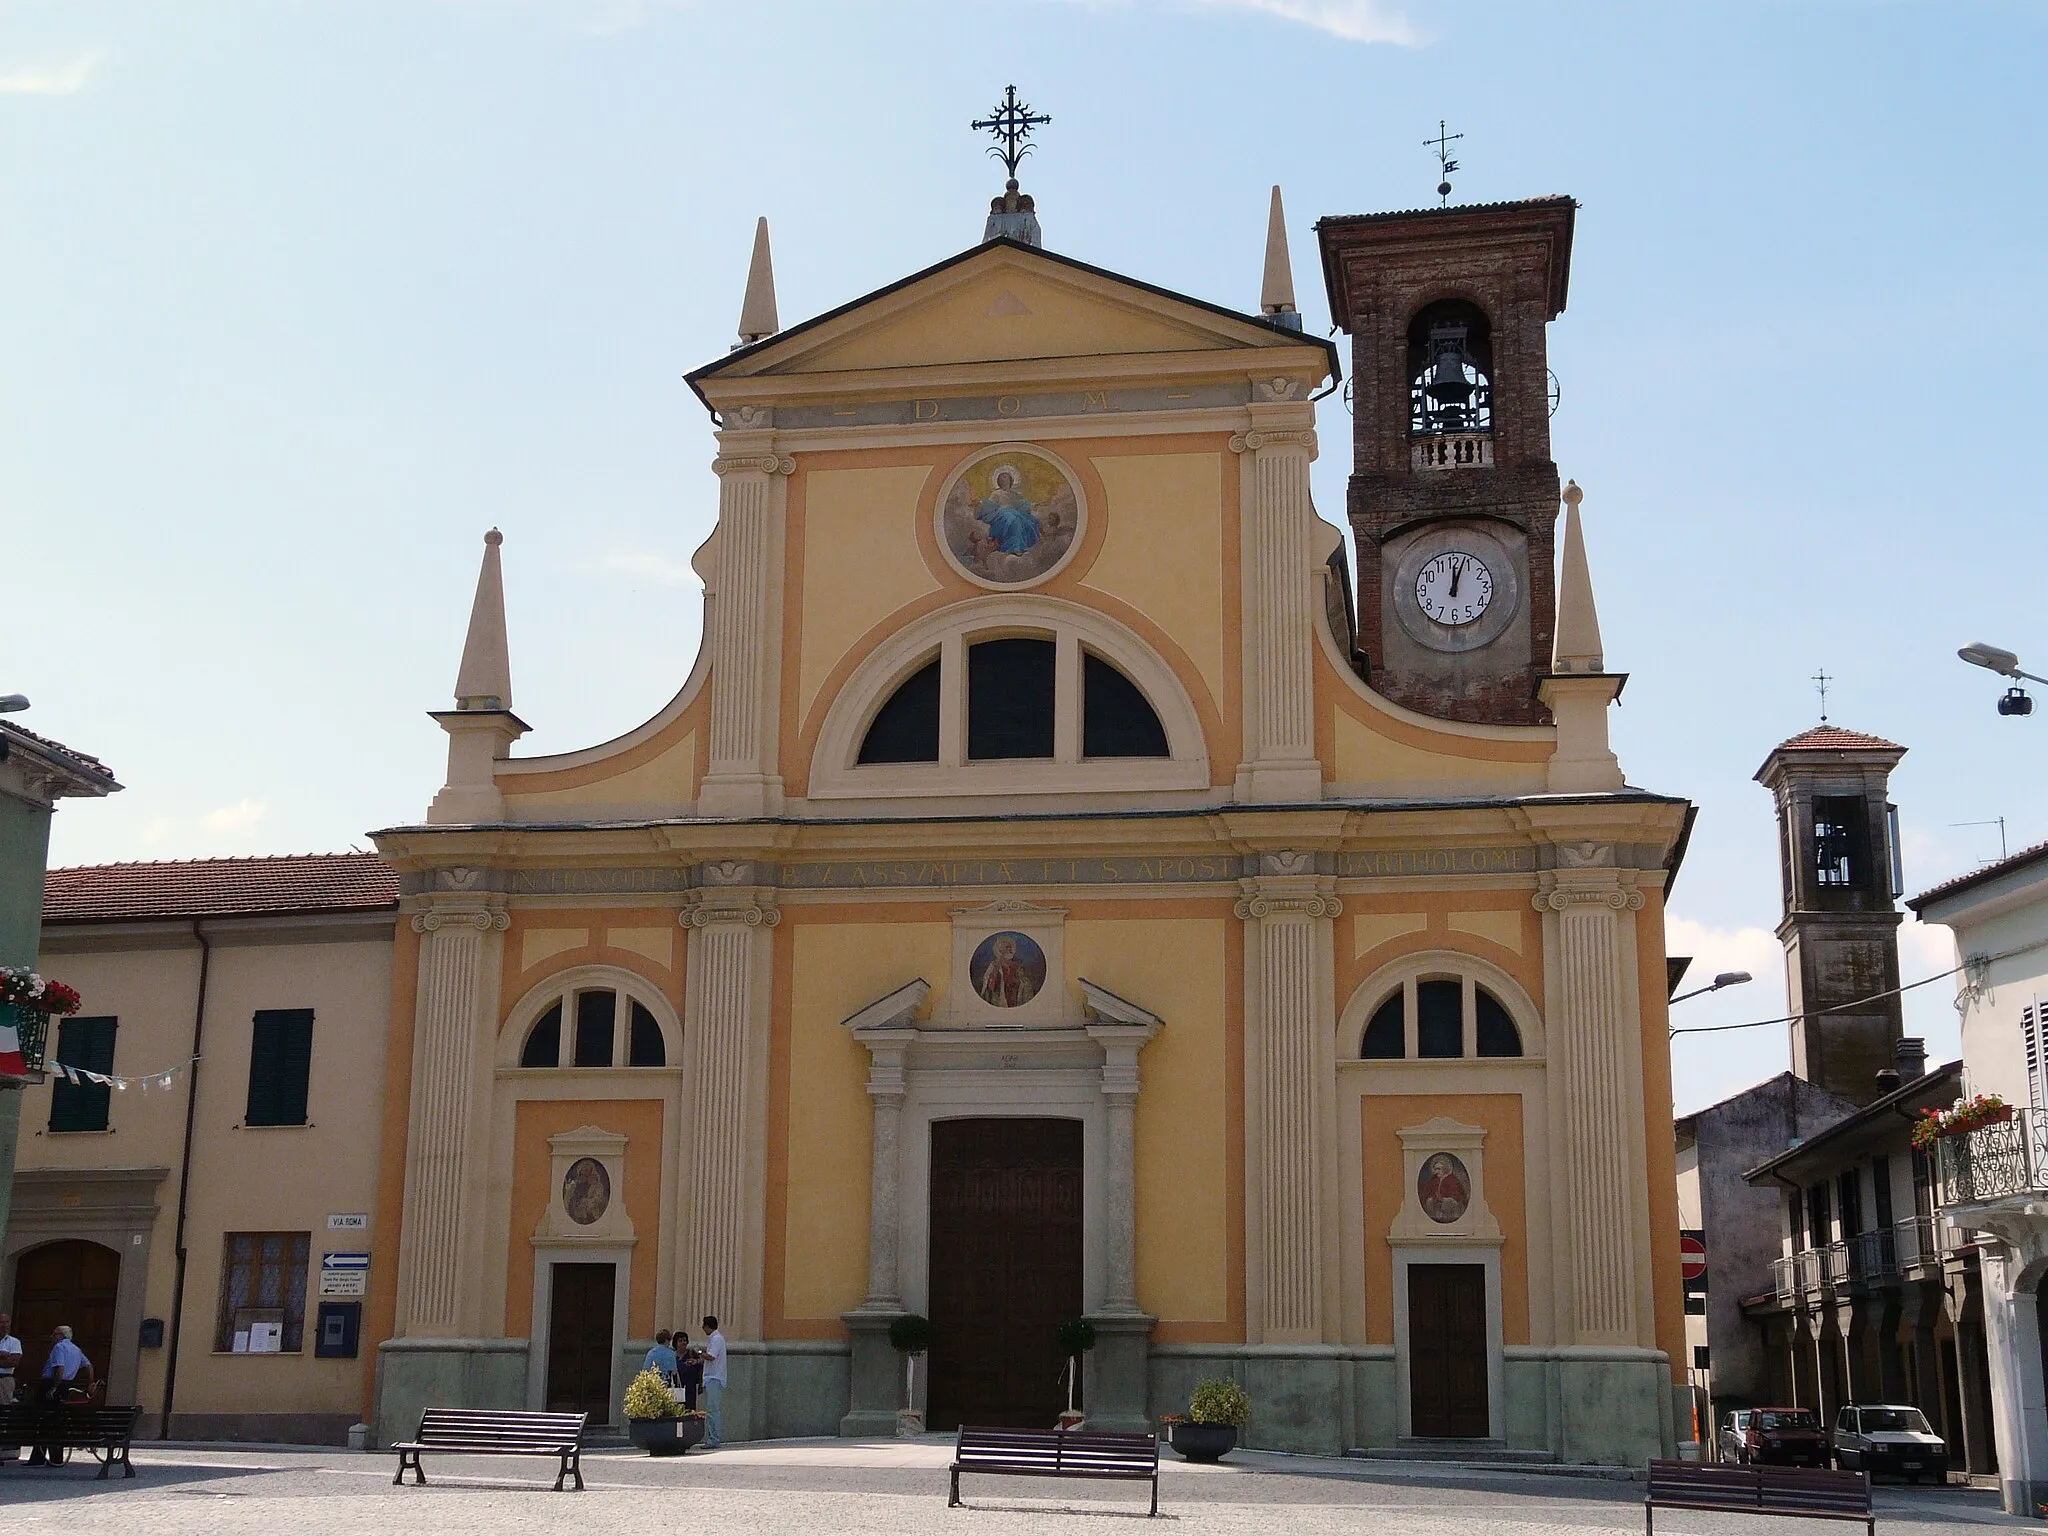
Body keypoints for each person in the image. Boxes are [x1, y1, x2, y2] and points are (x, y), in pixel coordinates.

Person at [28, 1326, 93, 1466]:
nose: (52, 1337)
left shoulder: (59, 1348)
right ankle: (56, 1457)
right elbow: (89, 1366)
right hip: (67, 1386)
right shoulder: (76, 1349)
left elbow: (60, 1368)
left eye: (54, 1334)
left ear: (61, 1335)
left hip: (52, 1384)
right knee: (57, 1422)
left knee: (43, 1420)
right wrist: (90, 1384)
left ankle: (38, 1457)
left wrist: (54, 1387)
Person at [699, 1314, 727, 1448]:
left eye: (704, 1325)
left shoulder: (716, 1339)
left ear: (708, 1326)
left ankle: (714, 1438)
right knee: (711, 1410)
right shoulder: (714, 1339)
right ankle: (712, 1437)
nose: (703, 1328)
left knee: (712, 1410)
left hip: (714, 1378)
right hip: (711, 1377)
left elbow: (711, 1356)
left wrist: (698, 1351)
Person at [0, 1312, 20, 1464]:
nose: (4, 1325)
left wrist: (7, 1358)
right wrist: (2, 1355)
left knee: (3, 1412)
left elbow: (13, 1362)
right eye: (1, 1322)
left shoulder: (14, 1342)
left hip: (4, 1380)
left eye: (6, 1322)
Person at [672, 1329, 703, 1410]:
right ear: (676, 1343)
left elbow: (701, 1365)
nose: (683, 1343)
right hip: (675, 1389)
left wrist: (696, 1361)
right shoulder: (671, 1356)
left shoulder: (692, 1354)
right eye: (680, 1341)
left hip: (690, 1389)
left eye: (685, 1340)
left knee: (690, 1411)